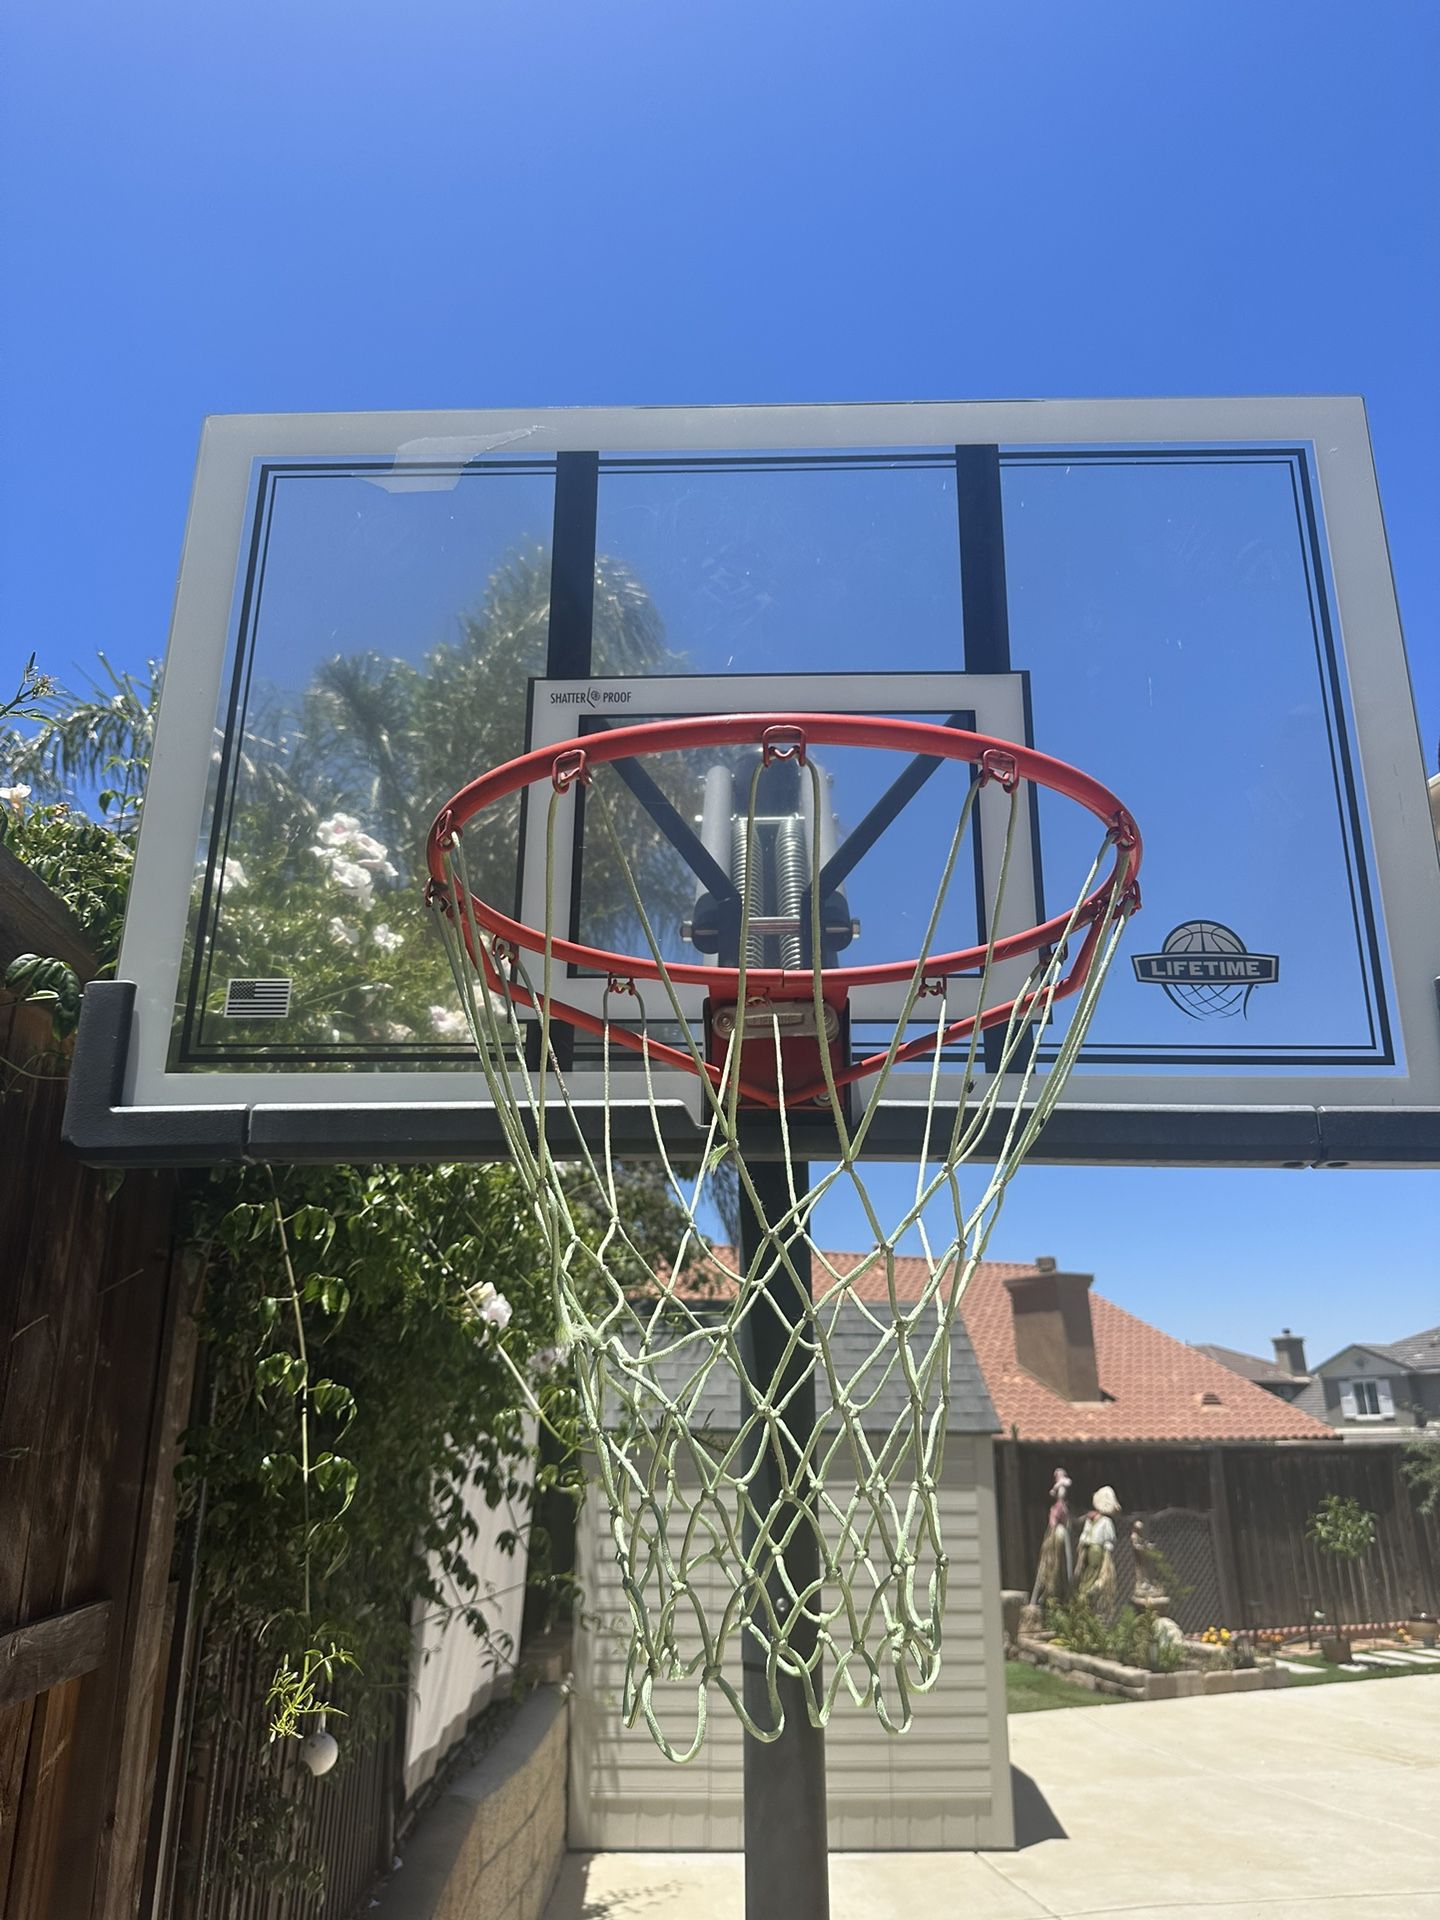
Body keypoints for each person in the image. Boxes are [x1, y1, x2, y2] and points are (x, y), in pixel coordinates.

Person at [1075, 1485, 1121, 1614]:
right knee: (1087, 1572)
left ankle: (1087, 1592)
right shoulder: (1092, 1520)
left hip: (1096, 1550)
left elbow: (1108, 1540)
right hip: (1089, 1550)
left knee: (1093, 1572)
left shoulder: (1105, 1521)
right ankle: (1084, 1592)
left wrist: (1107, 1555)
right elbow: (1086, 1534)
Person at [1032, 1467, 1073, 1606]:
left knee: (1059, 1565)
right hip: (1056, 1534)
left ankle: (1064, 1594)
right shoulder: (1058, 1507)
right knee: (1049, 1563)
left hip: (1059, 1533)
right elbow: (1055, 1522)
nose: (1063, 1491)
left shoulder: (1062, 1506)